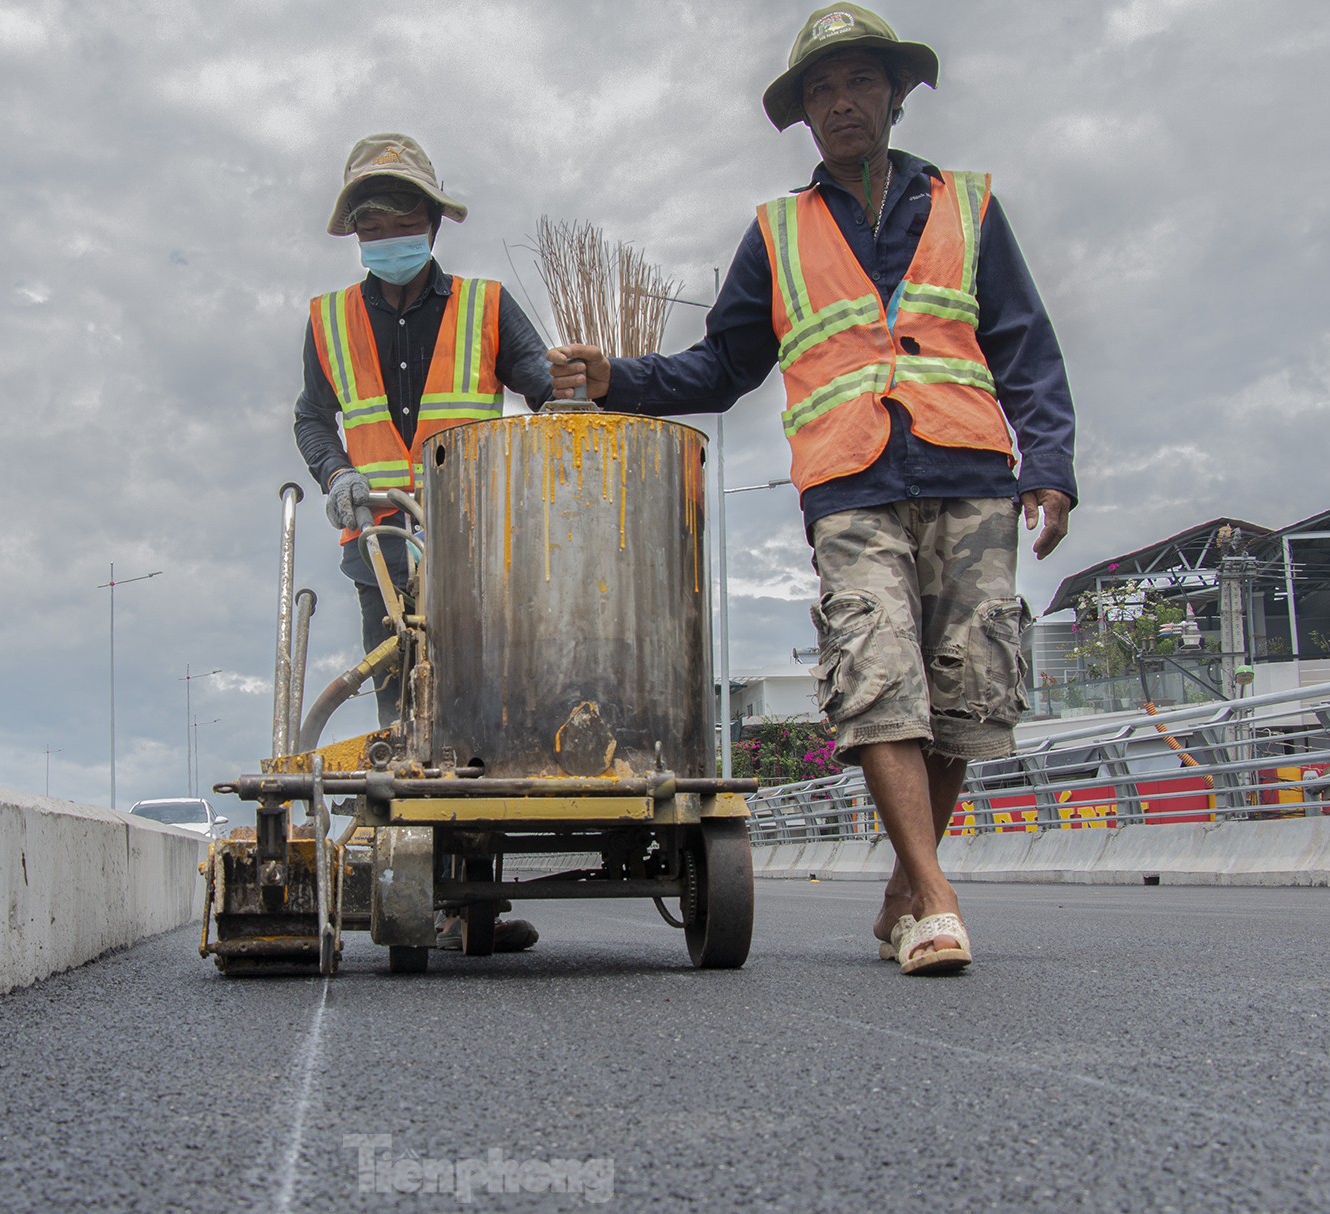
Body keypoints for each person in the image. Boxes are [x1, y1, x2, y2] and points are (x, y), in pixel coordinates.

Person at [549, 6, 1077, 975]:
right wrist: (616, 377)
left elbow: (1025, 346)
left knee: (966, 695)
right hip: (851, 486)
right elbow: (721, 366)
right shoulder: (779, 234)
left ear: (895, 94)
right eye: (823, 92)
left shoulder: (968, 209)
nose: (842, 104)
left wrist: (1048, 464)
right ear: (803, 114)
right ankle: (938, 900)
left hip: (972, 477)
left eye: (859, 84)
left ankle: (905, 887)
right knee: (878, 677)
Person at [293, 133, 551, 952]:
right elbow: (312, 415)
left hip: (476, 552)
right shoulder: (329, 320)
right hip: (379, 548)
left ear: (431, 221)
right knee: (402, 715)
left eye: (400, 209)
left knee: (477, 722)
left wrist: (572, 412)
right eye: (368, 215)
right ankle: (422, 887)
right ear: (355, 231)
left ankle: (472, 910)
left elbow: (542, 383)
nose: (384, 227)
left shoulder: (486, 306)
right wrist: (334, 472)